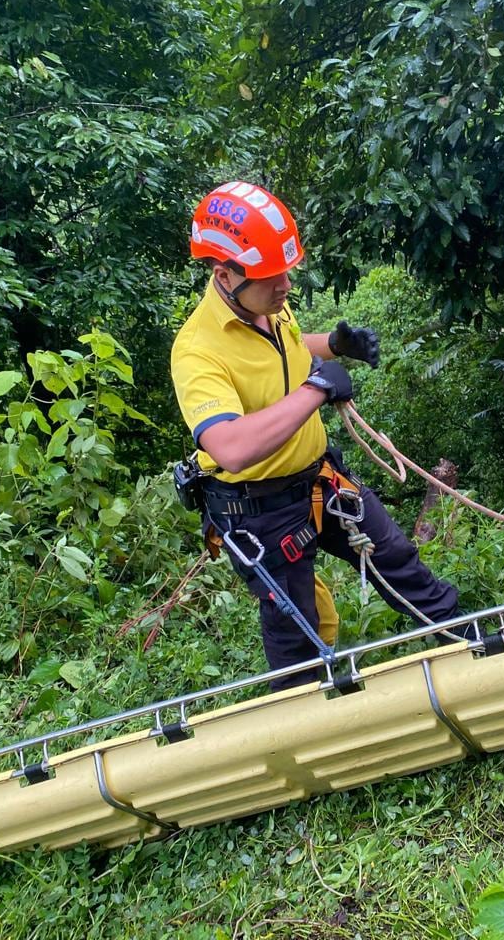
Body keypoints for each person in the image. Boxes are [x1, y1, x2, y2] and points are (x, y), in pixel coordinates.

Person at [171, 181, 462, 688]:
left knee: (397, 561)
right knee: (296, 631)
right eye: (271, 277)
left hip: (321, 480)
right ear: (225, 275)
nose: (285, 285)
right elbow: (230, 447)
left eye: (286, 271)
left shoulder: (264, 301)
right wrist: (316, 389)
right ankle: (304, 724)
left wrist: (330, 345)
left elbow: (278, 349)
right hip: (259, 512)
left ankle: (466, 641)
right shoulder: (197, 351)